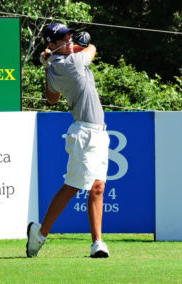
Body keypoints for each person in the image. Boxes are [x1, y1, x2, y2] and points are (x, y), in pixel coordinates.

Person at [26, 23, 110, 258]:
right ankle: (40, 233)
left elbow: (51, 97)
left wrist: (46, 64)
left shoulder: (55, 67)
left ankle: (97, 244)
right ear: (52, 45)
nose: (70, 39)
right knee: (73, 185)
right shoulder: (71, 63)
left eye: (70, 36)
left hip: (99, 132)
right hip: (84, 133)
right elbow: (92, 49)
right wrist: (84, 43)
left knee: (98, 188)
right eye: (64, 38)